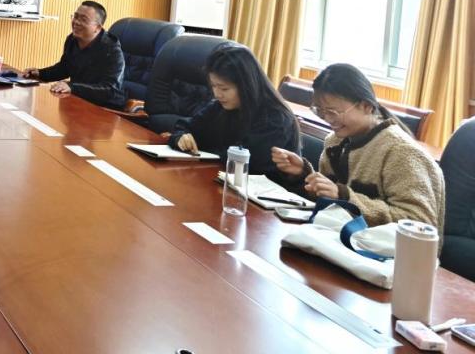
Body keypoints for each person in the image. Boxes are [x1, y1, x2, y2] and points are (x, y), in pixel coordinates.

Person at [272, 63, 444, 230]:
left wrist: (344, 197)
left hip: (380, 248)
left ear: (366, 106)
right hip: (340, 236)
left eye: (333, 112)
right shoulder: (335, 141)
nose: (328, 119)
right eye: (320, 111)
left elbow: (419, 223)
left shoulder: (402, 152)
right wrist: (304, 174)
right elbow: (328, 199)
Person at [168, 43, 300, 177]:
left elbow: (243, 162)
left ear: (246, 85)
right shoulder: (221, 106)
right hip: (221, 180)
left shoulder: (275, 119)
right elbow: (185, 126)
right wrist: (180, 137)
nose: (217, 94)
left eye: (224, 88)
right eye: (213, 86)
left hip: (260, 187)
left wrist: (203, 148)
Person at [23, 0, 125, 109]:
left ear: (98, 27)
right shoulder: (72, 39)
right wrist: (40, 73)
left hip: (105, 108)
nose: (76, 22)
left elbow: (110, 90)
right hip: (78, 101)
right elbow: (64, 68)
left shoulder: (111, 50)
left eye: (83, 19)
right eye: (75, 17)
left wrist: (72, 87)